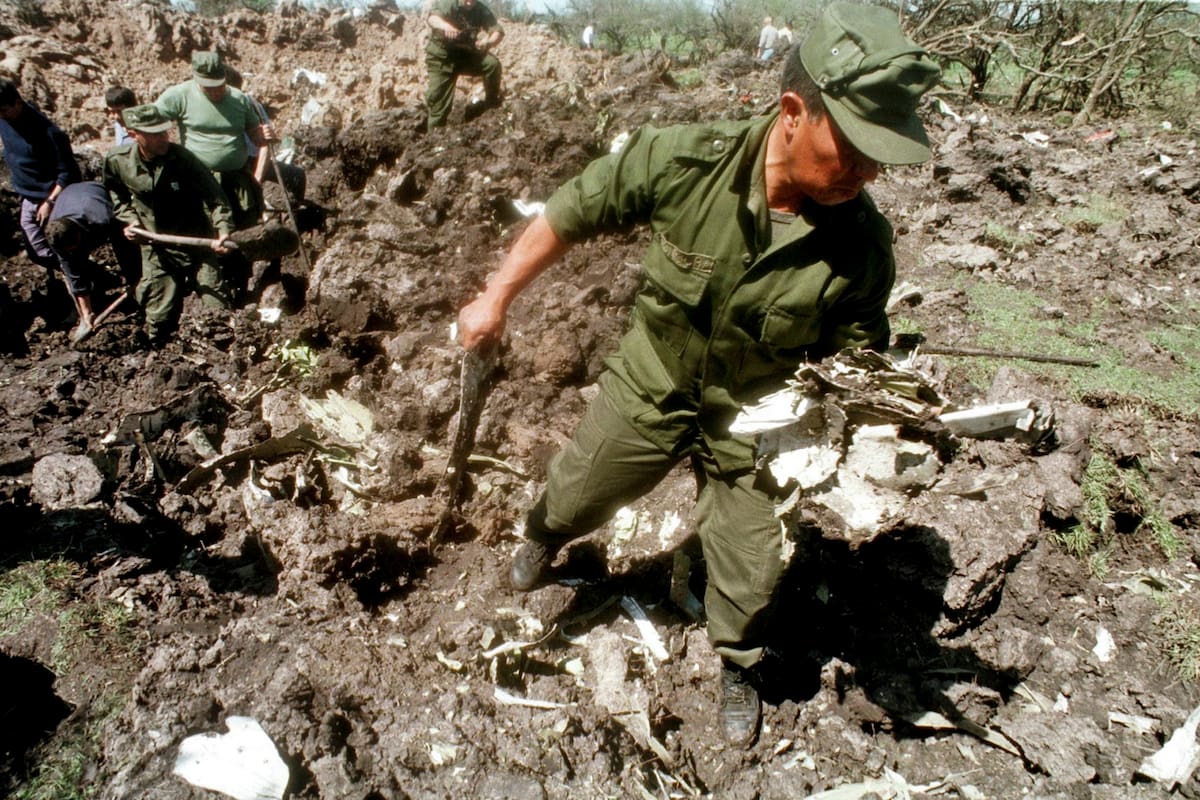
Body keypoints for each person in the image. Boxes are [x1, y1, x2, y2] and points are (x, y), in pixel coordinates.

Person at [455, 3, 940, 749]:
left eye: (883, 156)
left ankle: (739, 662)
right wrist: (495, 296)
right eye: (857, 148)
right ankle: (543, 535)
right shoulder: (688, 162)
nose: (871, 172)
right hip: (655, 380)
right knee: (579, 488)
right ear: (793, 113)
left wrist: (881, 410)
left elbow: (854, 364)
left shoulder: (864, 248)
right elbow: (572, 211)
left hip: (758, 421)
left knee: (751, 569)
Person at [103, 104, 236, 347]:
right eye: (155, 134)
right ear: (134, 135)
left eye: (165, 132)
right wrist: (131, 222)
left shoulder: (183, 159)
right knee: (159, 318)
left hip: (196, 243)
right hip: (157, 248)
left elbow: (216, 198)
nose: (164, 138)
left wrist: (223, 231)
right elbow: (117, 196)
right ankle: (159, 360)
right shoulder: (117, 161)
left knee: (219, 313)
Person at [154, 51, 273, 233]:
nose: (216, 91)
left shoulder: (239, 99)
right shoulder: (179, 96)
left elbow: (256, 138)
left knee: (243, 228)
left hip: (236, 180)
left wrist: (264, 135)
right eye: (208, 87)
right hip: (200, 180)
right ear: (196, 80)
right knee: (208, 229)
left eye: (219, 85)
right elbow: (151, 123)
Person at [0, 76, 83, 332]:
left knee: (59, 248)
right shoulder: (5, 119)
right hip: (27, 196)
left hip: (53, 197)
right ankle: (81, 273)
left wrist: (49, 201)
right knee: (38, 251)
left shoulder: (49, 133)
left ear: (17, 103)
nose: (1, 116)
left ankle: (81, 293)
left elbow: (68, 173)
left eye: (4, 110)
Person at [44, 181, 141, 342]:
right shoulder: (56, 237)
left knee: (125, 249)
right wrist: (86, 314)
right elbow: (74, 275)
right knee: (75, 263)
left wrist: (134, 276)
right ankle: (102, 287)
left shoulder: (101, 218)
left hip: (95, 193)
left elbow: (125, 242)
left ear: (78, 234)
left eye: (73, 247)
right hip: (69, 198)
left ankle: (137, 284)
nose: (70, 251)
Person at [425, 0, 504, 130]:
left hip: (466, 56)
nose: (469, 3)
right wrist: (446, 26)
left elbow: (498, 31)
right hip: (442, 59)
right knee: (438, 105)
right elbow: (433, 18)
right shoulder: (449, 3)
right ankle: (434, 139)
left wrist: (488, 43)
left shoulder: (480, 9)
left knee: (492, 64)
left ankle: (491, 107)